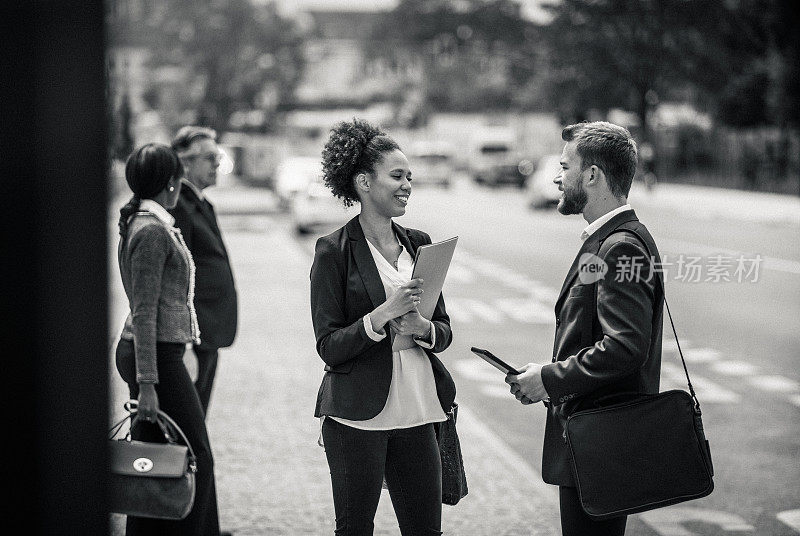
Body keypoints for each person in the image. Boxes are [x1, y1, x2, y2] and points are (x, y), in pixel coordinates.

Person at [506, 121, 664, 536]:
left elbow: (626, 347)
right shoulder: (608, 239)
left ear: (592, 175)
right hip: (593, 441)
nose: (557, 177)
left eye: (565, 167)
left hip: (601, 443)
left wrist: (550, 379)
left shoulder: (621, 244)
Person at [310, 119, 456, 535]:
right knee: (355, 529)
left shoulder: (419, 243)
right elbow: (329, 346)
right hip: (357, 419)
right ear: (362, 182)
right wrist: (381, 316)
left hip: (419, 412)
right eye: (396, 176)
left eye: (410, 176)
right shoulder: (332, 252)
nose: (407, 184)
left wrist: (423, 326)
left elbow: (444, 331)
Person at [114, 143, 223, 536]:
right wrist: (147, 385)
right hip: (154, 356)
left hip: (156, 351)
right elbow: (144, 313)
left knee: (149, 460)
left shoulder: (144, 222)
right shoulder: (152, 231)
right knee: (198, 456)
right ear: (172, 183)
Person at [169, 126, 238, 417]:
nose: (218, 163)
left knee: (198, 414)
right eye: (210, 157)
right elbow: (176, 275)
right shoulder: (180, 206)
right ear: (185, 161)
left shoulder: (200, 202)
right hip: (194, 333)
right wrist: (184, 340)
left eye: (218, 156)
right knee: (188, 419)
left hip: (208, 330)